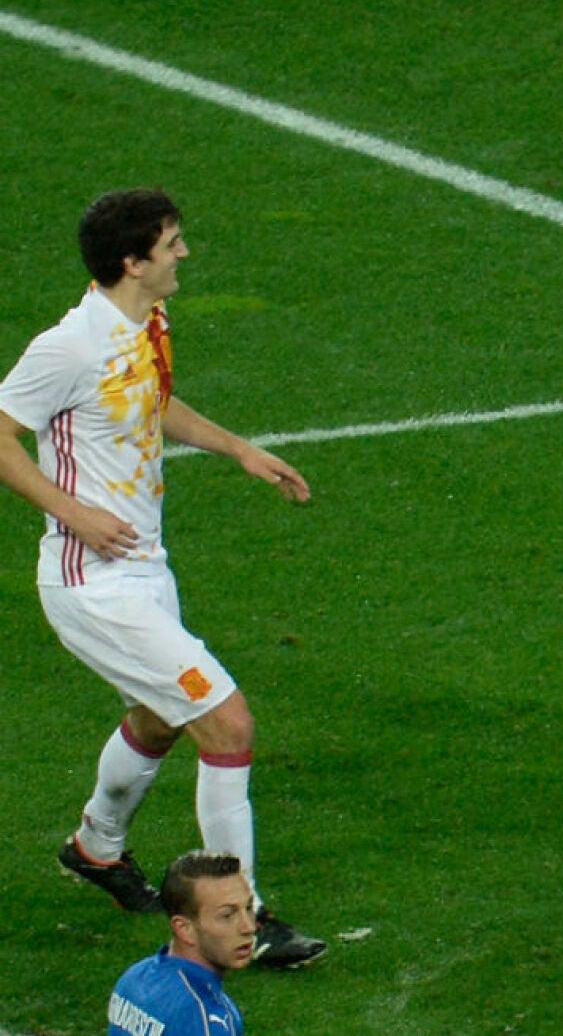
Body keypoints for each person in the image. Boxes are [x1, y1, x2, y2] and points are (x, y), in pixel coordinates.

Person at [0, 188, 325, 968]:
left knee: (160, 715)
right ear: (133, 260)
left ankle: (96, 847)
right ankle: (243, 912)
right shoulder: (68, 345)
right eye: (172, 243)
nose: (184, 253)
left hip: (143, 566)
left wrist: (240, 448)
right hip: (92, 581)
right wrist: (70, 512)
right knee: (228, 722)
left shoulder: (147, 322)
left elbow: (153, 405)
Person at [109, 851, 253, 1035]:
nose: (248, 927)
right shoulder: (206, 1016)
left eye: (248, 908)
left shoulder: (134, 978)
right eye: (227, 915)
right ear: (184, 928)